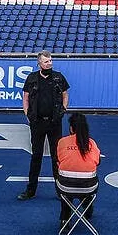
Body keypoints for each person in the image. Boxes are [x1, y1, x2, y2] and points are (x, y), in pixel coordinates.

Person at [17, 50, 69, 200]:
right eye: (46, 61)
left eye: (51, 60)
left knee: (56, 157)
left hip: (54, 123)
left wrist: (63, 110)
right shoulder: (32, 78)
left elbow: (65, 94)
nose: (50, 63)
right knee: (36, 156)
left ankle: (61, 191)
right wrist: (28, 115)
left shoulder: (59, 77)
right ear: (39, 63)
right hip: (37, 123)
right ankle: (31, 190)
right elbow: (25, 98)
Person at [56, 112, 100, 226]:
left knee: (66, 180)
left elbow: (58, 161)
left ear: (71, 128)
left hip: (65, 186)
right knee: (86, 177)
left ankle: (64, 218)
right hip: (89, 187)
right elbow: (98, 162)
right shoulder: (91, 143)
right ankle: (87, 209)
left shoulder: (62, 142)